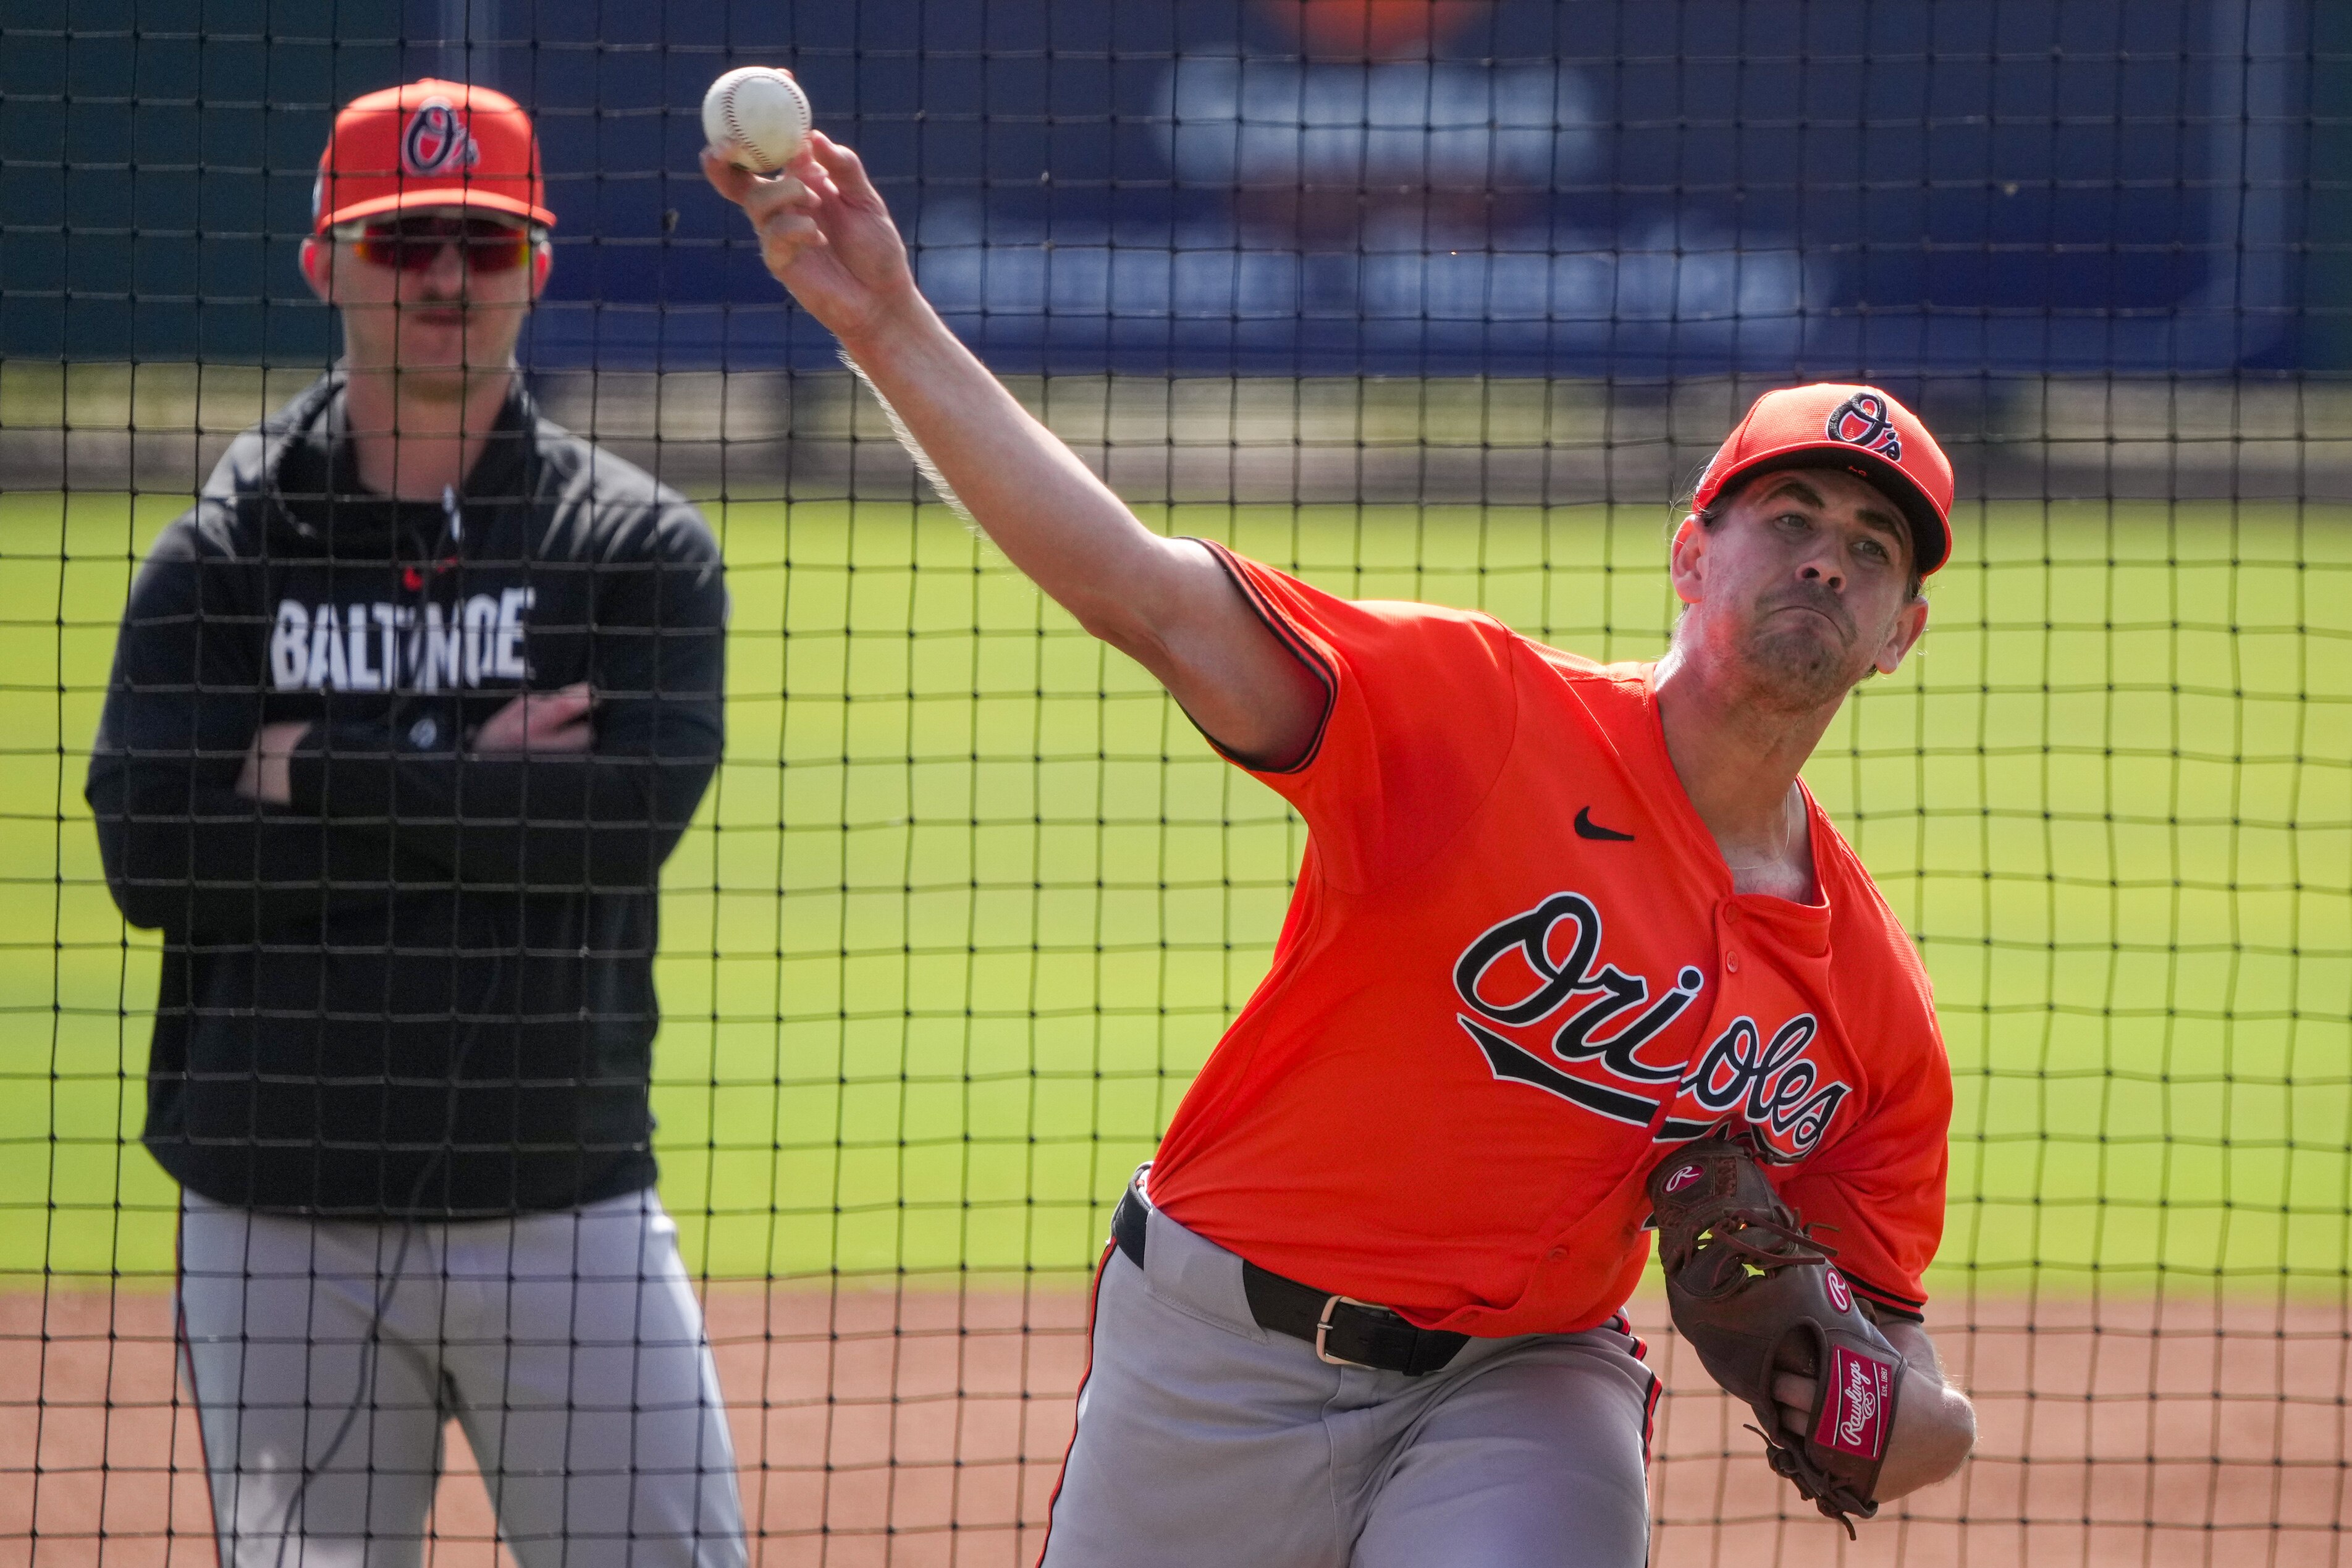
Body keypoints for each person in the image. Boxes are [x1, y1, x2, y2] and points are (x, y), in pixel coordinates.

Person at [702, 133, 1977, 1567]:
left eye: (1871, 550)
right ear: (1692, 555)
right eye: (1787, 518)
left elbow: (1909, 1378)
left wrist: (1894, 1413)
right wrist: (883, 320)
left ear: (1897, 640)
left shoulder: (1867, 1011)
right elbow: (1148, 595)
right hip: (1213, 1346)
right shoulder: (1479, 715)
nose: (1824, 558)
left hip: (1525, 1380)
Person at [87, 80, 743, 1568]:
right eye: (403, 244)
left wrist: (312, 764)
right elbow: (155, 853)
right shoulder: (226, 549)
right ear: (325, 261)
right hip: (277, 1216)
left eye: (482, 242)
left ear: (538, 267)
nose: (446, 278)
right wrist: (482, 784)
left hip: (559, 1198)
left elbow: (615, 826)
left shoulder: (632, 549)